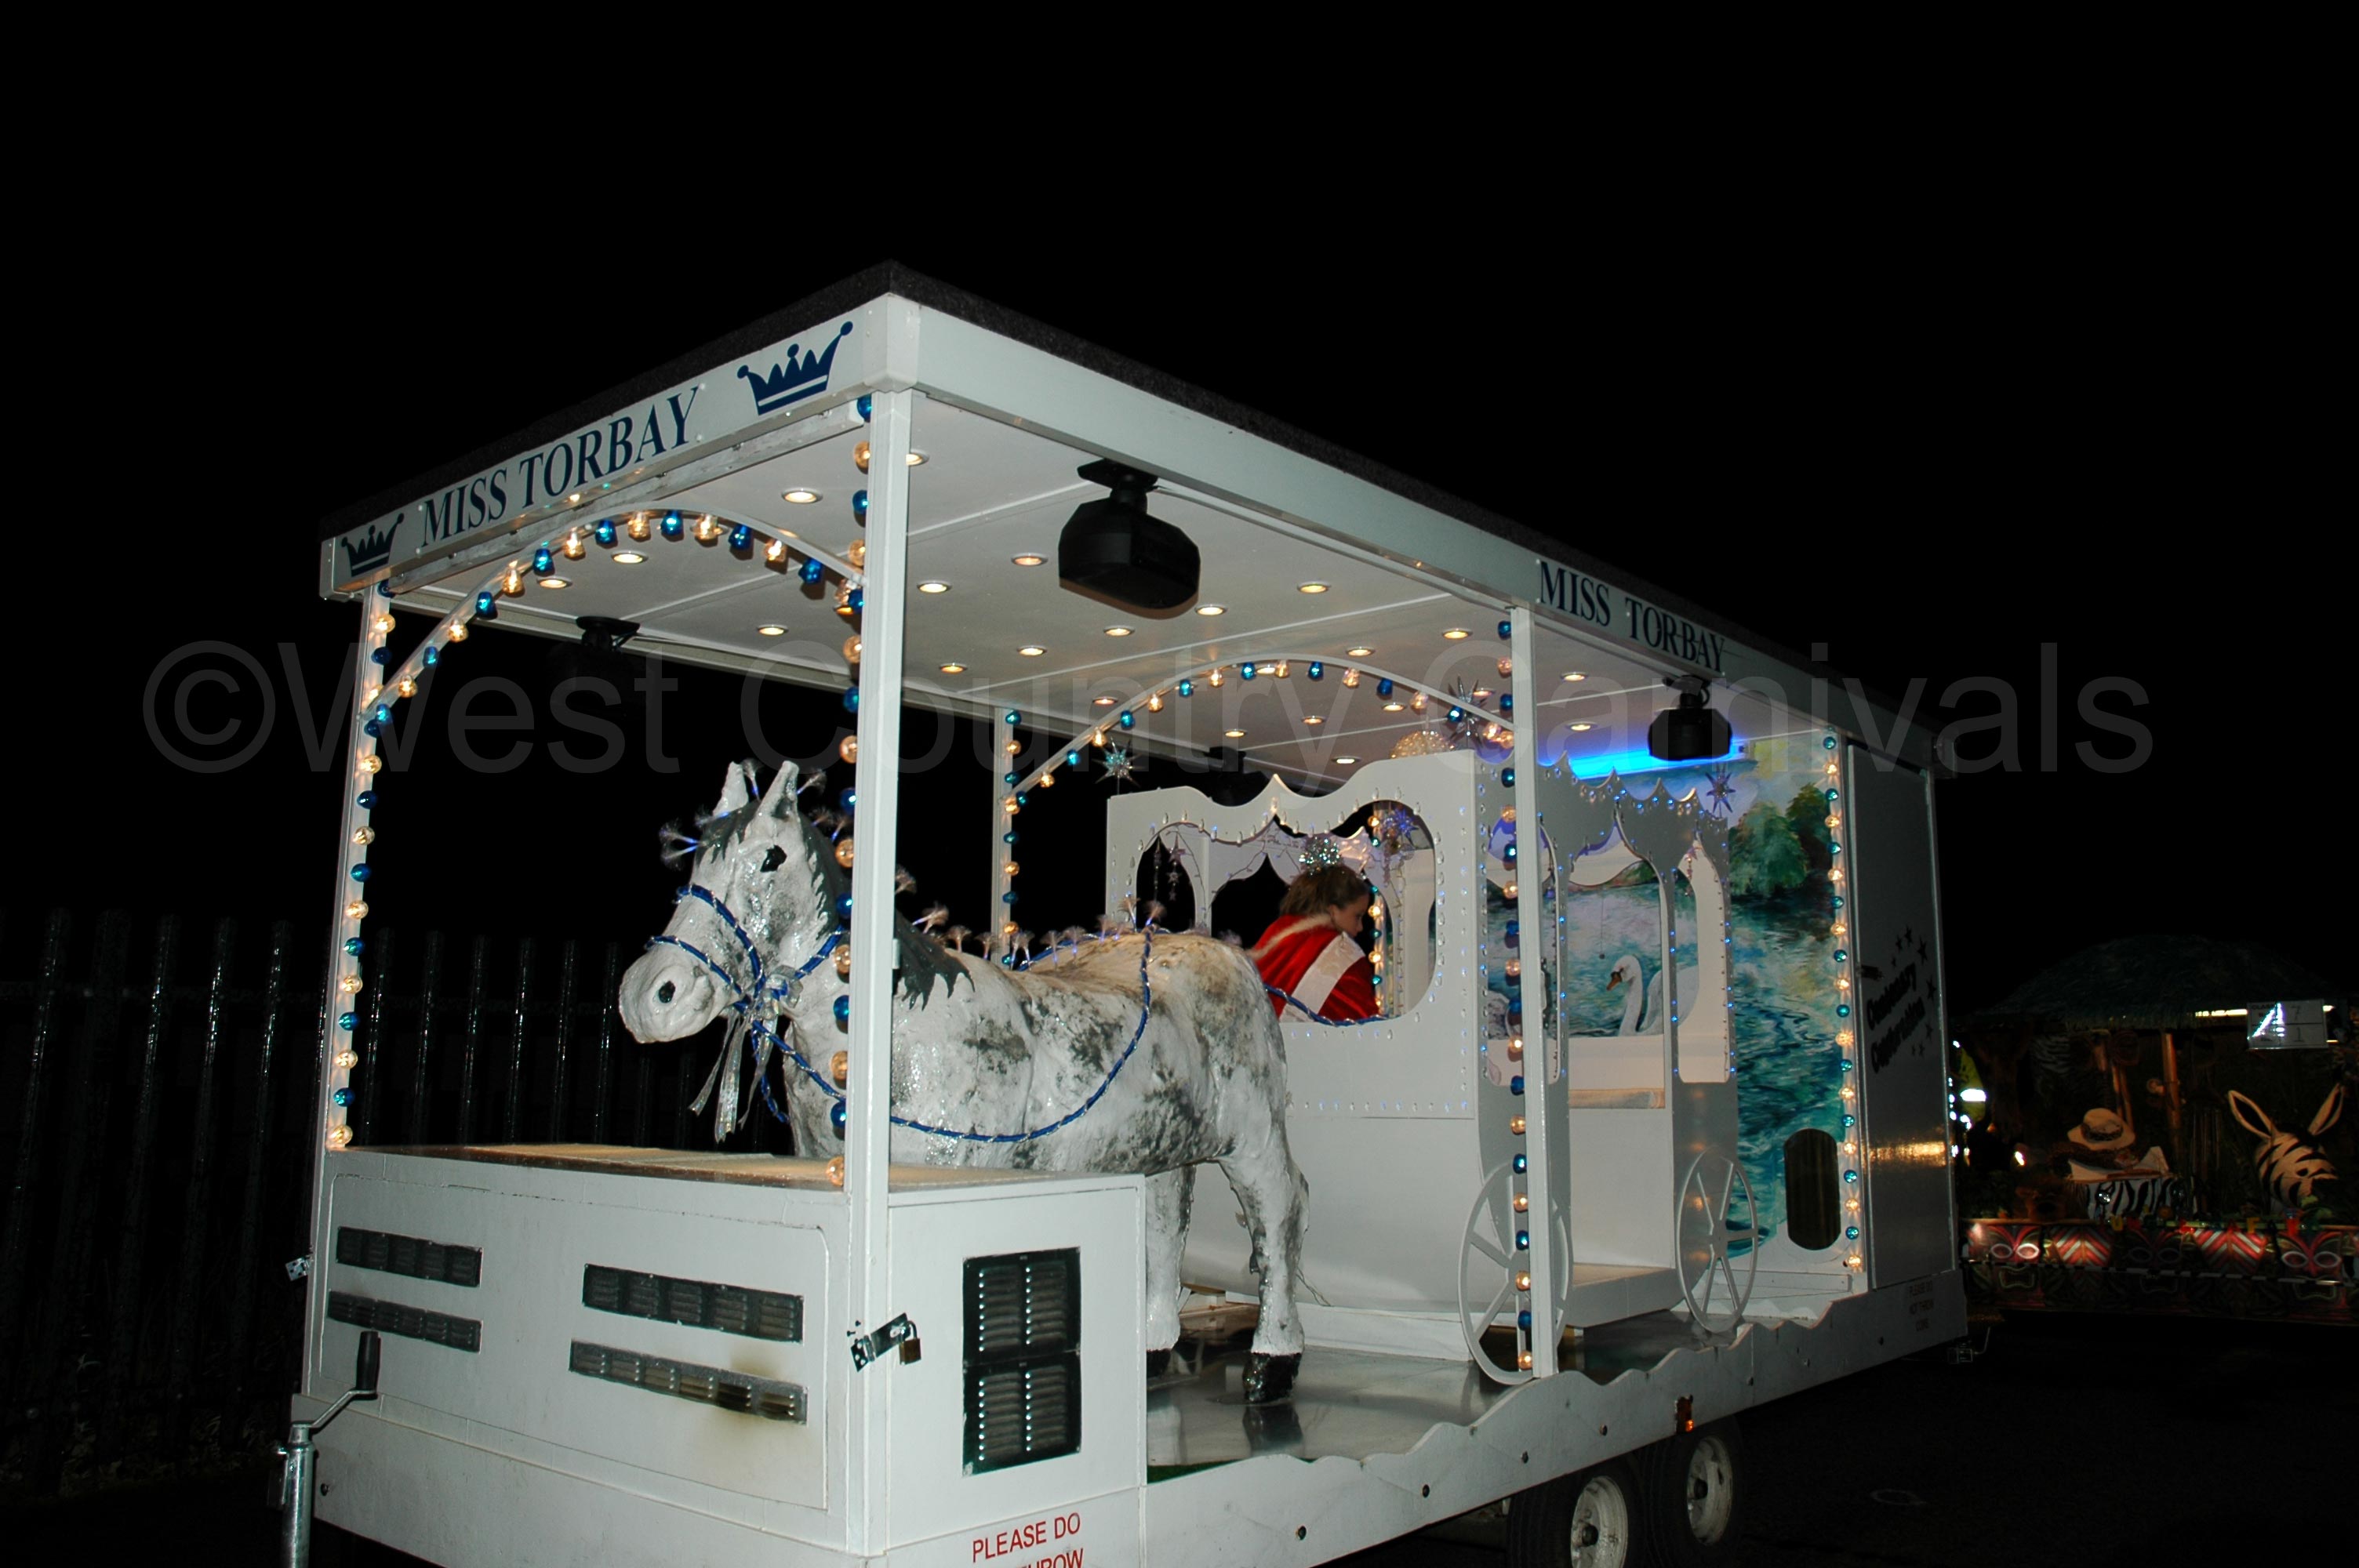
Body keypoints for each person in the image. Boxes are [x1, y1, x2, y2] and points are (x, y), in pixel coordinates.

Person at [1251, 863, 1378, 1022]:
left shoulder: (1278, 932)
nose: (1360, 927)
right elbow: (1366, 1024)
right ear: (1333, 911)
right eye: (1357, 916)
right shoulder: (1341, 952)